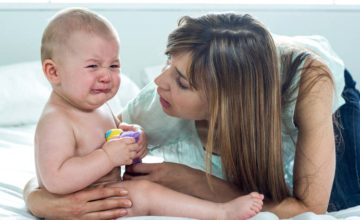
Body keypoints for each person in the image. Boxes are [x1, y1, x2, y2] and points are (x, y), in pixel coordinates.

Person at [24, 12, 360, 219]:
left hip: (321, 93)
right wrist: (42, 202)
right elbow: (64, 161)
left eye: (181, 81)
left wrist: (189, 179)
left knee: (341, 200)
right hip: (247, 67)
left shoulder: (310, 86)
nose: (159, 81)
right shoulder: (156, 103)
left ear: (226, 102)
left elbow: (308, 208)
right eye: (169, 63)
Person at [30, 8, 264, 220]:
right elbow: (56, 179)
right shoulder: (56, 121)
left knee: (148, 191)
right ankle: (220, 213)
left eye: (113, 66)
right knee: (146, 194)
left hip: (106, 197)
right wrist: (108, 157)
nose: (106, 76)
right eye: (93, 66)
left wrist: (132, 136)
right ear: (53, 72)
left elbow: (103, 137)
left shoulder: (96, 105)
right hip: (86, 205)